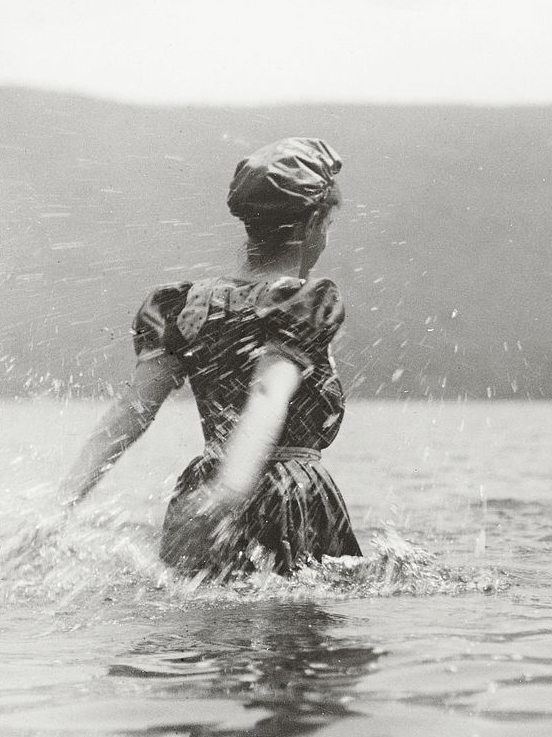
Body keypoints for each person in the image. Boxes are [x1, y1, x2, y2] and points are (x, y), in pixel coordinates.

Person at [59, 137, 362, 574]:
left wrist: (61, 504)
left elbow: (132, 412)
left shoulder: (184, 306)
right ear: (312, 222)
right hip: (284, 495)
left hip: (202, 486)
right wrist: (231, 488)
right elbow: (267, 391)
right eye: (329, 225)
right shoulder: (307, 300)